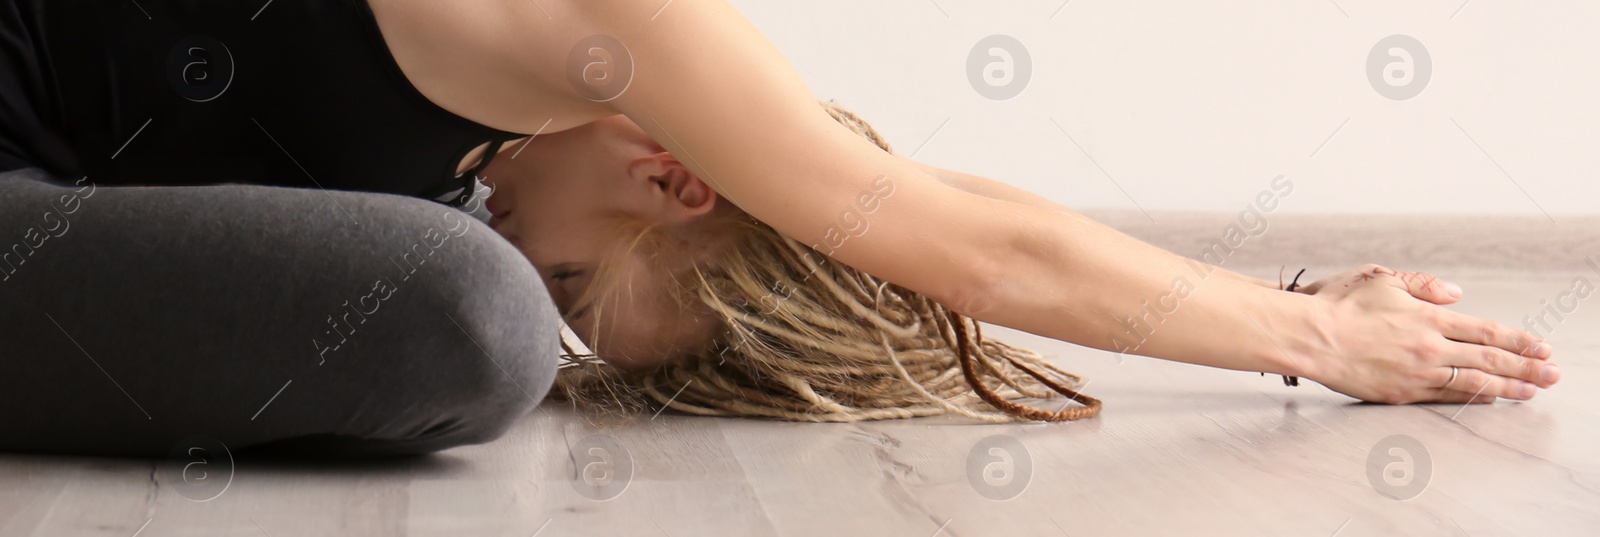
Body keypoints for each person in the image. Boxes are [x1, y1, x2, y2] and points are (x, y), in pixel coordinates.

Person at [0, 0, 1561, 455]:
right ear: (677, 180)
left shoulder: (515, 121)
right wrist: (1310, 333)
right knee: (459, 320)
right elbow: (970, 241)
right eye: (575, 276)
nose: (520, 253)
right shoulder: (598, 28)